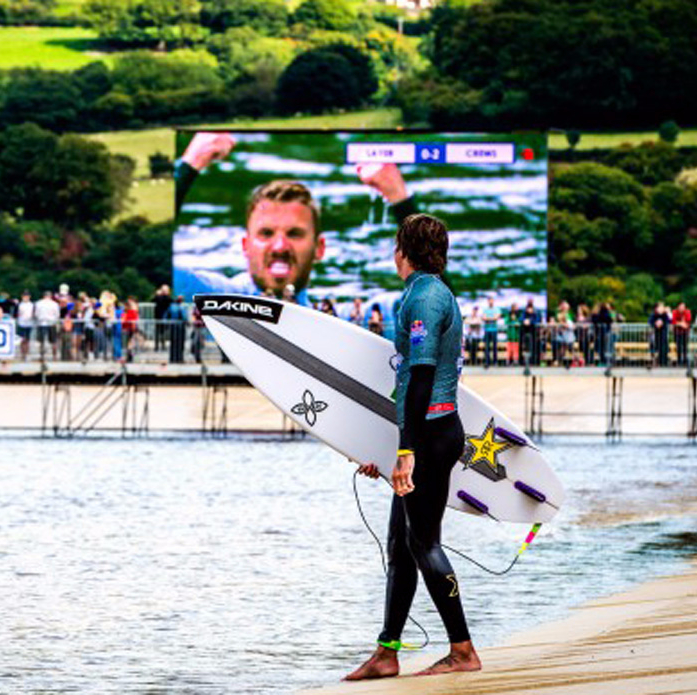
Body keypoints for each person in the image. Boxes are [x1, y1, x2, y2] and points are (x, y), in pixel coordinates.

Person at [347, 213, 478, 682]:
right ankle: (387, 652)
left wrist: (406, 451)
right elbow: (407, 383)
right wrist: (380, 446)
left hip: (432, 433)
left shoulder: (424, 296)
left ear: (402, 249)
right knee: (401, 546)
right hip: (430, 431)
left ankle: (462, 649)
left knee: (423, 542)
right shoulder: (431, 291)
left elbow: (420, 378)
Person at [173, 132, 419, 305]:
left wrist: (400, 200)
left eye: (294, 234)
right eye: (266, 234)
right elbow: (141, 261)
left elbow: (440, 313)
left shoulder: (344, 319)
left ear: (319, 249)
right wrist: (189, 164)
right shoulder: (208, 297)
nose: (280, 247)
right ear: (245, 247)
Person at [35, 291, 60, 361]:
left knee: (41, 341)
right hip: (51, 323)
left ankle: (42, 356)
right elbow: (57, 314)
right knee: (53, 341)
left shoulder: (38, 303)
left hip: (42, 323)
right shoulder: (54, 304)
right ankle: (54, 356)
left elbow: (36, 314)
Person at [166, 295, 188, 364]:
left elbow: (166, 316)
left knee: (173, 343)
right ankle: (180, 358)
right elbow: (184, 317)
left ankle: (172, 358)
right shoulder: (181, 307)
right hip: (180, 327)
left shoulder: (171, 306)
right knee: (180, 344)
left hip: (172, 327)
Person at [672, 302, 692, 366]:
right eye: (681, 307)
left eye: (683, 307)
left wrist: (682, 324)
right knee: (678, 347)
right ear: (678, 307)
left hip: (685, 332)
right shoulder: (675, 312)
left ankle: (685, 361)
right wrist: (680, 323)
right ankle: (679, 361)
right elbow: (673, 321)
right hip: (677, 333)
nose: (682, 308)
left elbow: (688, 320)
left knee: (685, 347)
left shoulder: (687, 312)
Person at [482, 298, 500, 366]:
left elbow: (497, 317)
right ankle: (487, 362)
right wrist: (492, 318)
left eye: (492, 300)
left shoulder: (496, 309)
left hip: (494, 330)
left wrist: (488, 319)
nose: (490, 302)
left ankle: (495, 362)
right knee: (487, 347)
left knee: (494, 347)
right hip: (487, 330)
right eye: (489, 300)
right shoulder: (485, 309)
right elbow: (483, 318)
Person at [16, 292, 34, 360]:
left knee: (27, 339)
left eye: (27, 296)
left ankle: (26, 353)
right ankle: (22, 354)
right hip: (21, 323)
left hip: (29, 323)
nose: (26, 297)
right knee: (22, 339)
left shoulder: (32, 305)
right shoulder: (20, 305)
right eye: (24, 296)